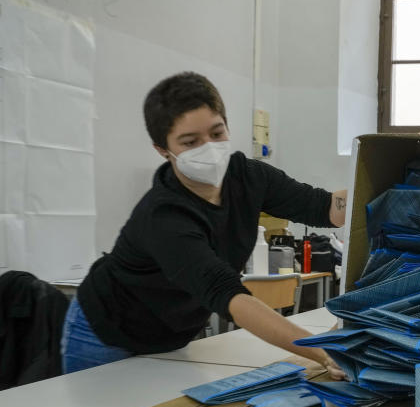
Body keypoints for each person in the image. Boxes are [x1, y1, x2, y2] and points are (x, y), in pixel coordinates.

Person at [62, 72, 347, 378]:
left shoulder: (248, 177)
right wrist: (321, 351)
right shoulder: (164, 216)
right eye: (190, 142)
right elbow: (230, 296)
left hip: (172, 334)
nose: (208, 147)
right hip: (104, 333)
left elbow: (326, 207)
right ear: (162, 149)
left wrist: (388, 190)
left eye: (216, 133)